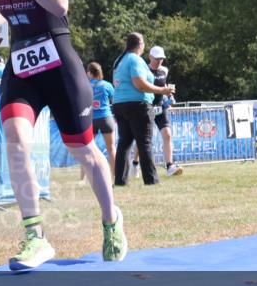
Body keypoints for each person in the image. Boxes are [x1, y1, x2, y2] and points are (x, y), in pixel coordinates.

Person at [0, 0, 125, 271]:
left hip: (57, 62)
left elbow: (60, 3)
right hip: (23, 65)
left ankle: (112, 219)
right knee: (15, 141)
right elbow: (4, 7)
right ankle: (35, 236)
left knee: (85, 152)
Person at [112, 33, 174, 186]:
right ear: (140, 44)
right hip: (137, 105)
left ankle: (120, 180)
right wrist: (162, 91)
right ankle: (151, 180)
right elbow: (139, 84)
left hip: (120, 105)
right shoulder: (135, 59)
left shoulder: (119, 61)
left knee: (124, 143)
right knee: (144, 143)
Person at [78, 62, 116, 185]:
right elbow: (115, 99)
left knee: (87, 150)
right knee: (111, 149)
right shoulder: (107, 85)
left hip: (90, 120)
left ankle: (82, 179)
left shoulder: (84, 85)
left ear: (89, 73)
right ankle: (114, 177)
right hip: (106, 118)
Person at [148, 45, 183, 176]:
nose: (159, 61)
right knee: (145, 139)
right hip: (147, 108)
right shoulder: (144, 70)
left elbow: (164, 85)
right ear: (150, 57)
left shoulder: (164, 70)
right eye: (156, 58)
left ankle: (169, 166)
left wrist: (170, 96)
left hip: (161, 107)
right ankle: (135, 163)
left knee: (167, 134)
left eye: (161, 59)